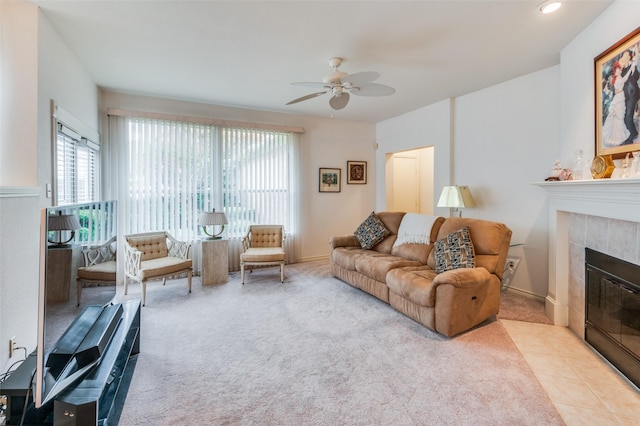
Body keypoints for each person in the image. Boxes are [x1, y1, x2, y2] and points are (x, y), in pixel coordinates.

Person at [602, 61, 631, 147]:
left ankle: (617, 136)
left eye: (619, 69)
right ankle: (616, 137)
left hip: (620, 97)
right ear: (615, 70)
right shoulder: (615, 78)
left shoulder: (618, 77)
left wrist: (630, 69)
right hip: (619, 98)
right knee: (618, 117)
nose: (619, 70)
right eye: (617, 69)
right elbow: (617, 88)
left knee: (619, 118)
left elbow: (624, 79)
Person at [619, 47, 640, 145]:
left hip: (633, 95)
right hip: (625, 96)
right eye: (624, 55)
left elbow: (636, 77)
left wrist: (633, 68)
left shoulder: (633, 66)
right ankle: (634, 133)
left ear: (630, 57)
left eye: (627, 55)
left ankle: (630, 139)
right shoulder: (622, 69)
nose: (625, 56)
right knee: (625, 116)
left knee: (628, 115)